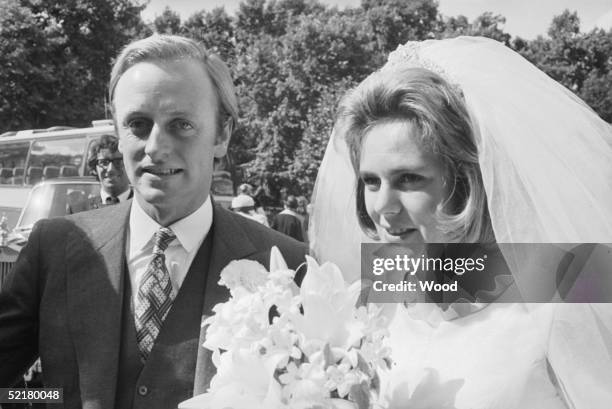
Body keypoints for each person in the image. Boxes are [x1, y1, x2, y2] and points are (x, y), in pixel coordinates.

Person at [0, 34, 306, 409]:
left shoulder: (288, 268)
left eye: (181, 124)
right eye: (139, 124)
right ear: (117, 132)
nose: (155, 148)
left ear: (222, 134)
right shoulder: (55, 247)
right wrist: (41, 401)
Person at [311, 36, 612, 408]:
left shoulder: (565, 295)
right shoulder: (373, 300)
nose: (383, 207)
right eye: (371, 181)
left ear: (468, 180)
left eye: (409, 179)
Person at [87, 133, 133, 207]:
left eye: (118, 162)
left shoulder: (147, 208)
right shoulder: (77, 211)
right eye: (104, 162)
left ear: (129, 165)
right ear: (94, 168)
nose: (111, 169)